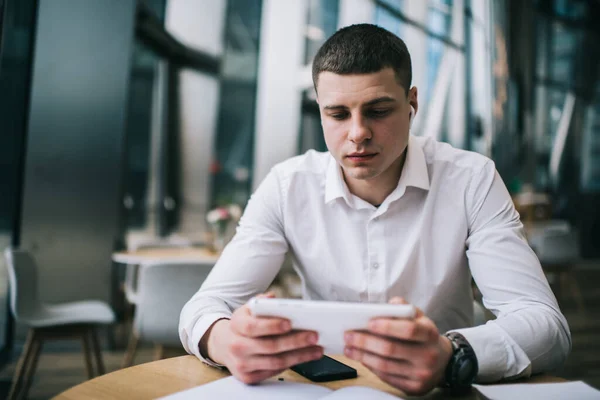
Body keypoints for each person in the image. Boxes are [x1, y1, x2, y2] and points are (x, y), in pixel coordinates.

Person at [179, 24, 570, 395]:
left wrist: (453, 356)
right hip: (323, 391)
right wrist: (226, 340)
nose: (357, 133)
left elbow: (545, 325)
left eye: (378, 111)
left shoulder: (471, 179)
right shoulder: (287, 186)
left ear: (411, 103)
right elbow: (203, 307)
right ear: (319, 111)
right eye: (337, 114)